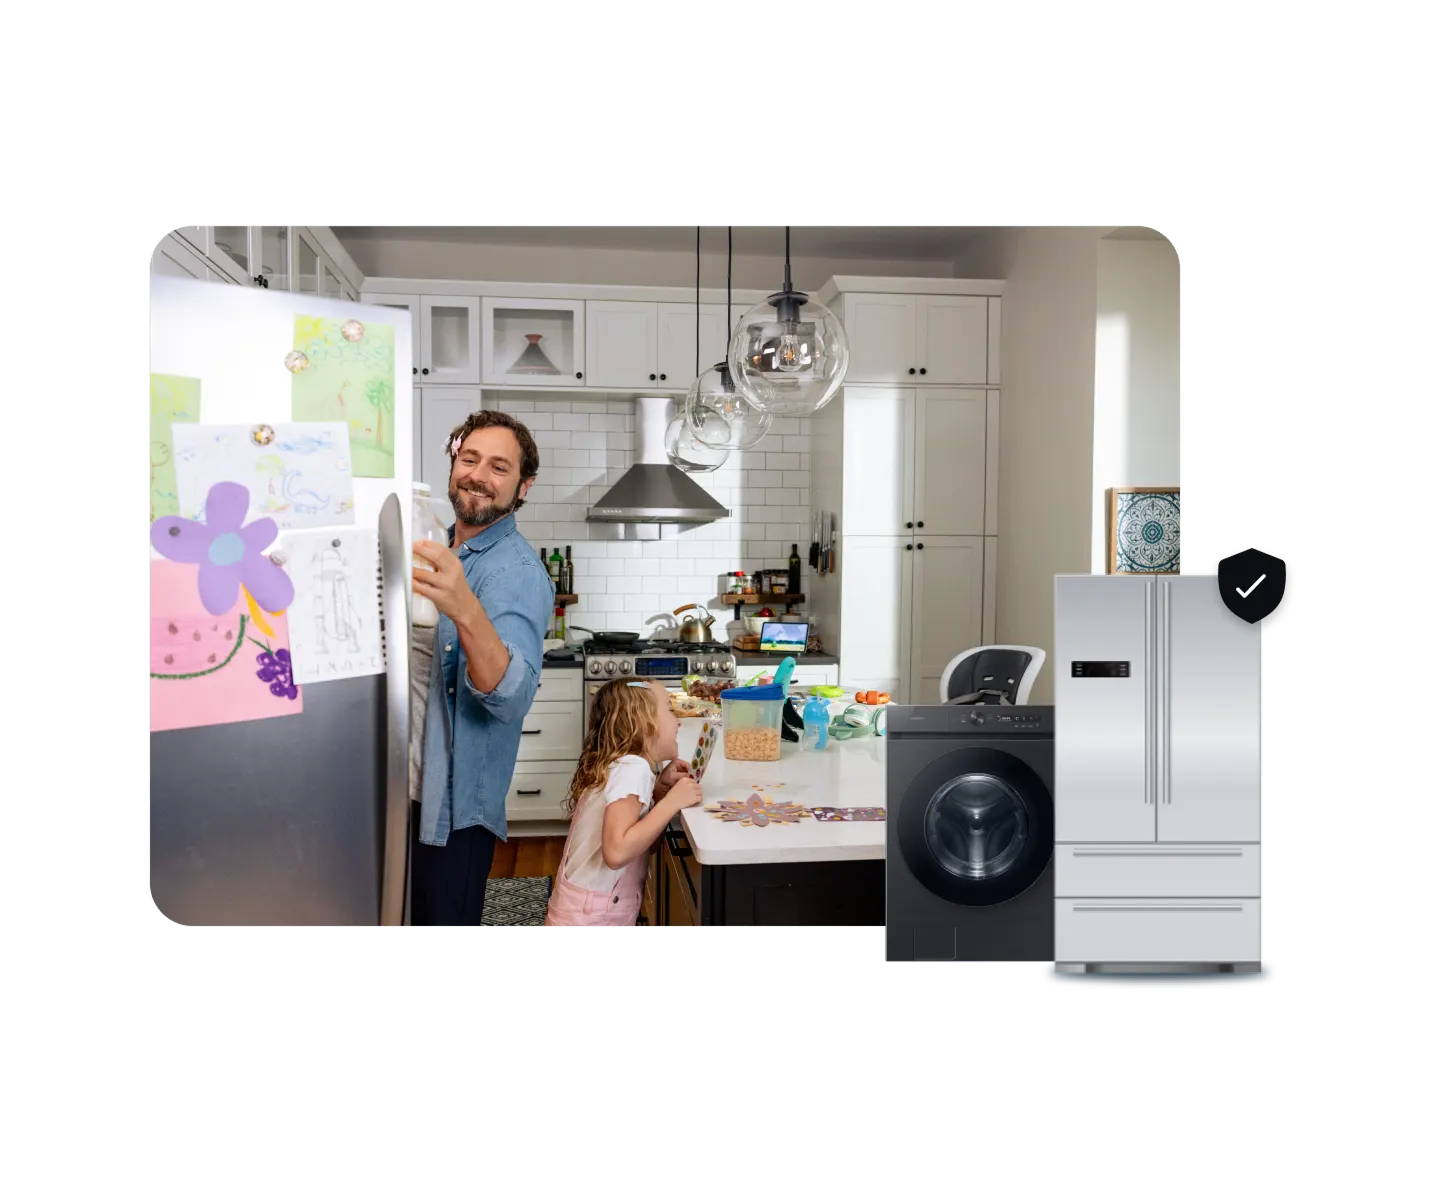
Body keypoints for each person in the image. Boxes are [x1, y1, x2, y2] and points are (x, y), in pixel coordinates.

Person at [410, 409, 555, 928]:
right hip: (396, 789)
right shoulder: (436, 545)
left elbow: (512, 698)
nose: (478, 475)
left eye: (498, 466)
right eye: (469, 459)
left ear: (523, 486)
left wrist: (464, 607)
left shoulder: (517, 572)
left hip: (449, 809)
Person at [545, 679, 703, 927]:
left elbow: (641, 845)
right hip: (592, 920)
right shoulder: (632, 769)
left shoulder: (625, 766)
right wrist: (672, 802)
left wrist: (659, 794)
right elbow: (617, 853)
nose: (678, 721)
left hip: (583, 913)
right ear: (645, 722)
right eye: (669, 710)